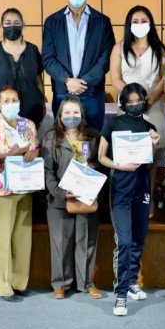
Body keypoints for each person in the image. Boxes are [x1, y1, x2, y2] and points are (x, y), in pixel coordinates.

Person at [98, 83, 161, 316]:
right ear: (123, 103)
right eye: (130, 101)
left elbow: (150, 161)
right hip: (120, 190)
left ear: (144, 100)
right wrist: (119, 165)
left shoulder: (149, 127)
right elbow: (101, 156)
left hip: (141, 188)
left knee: (138, 239)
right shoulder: (113, 124)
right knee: (124, 241)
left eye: (138, 100)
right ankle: (121, 294)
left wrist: (153, 144)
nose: (135, 104)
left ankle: (132, 280)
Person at [0, 85, 40, 302]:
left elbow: (34, 147)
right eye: (6, 101)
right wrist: (6, 155)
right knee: (2, 238)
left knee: (23, 237)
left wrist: (33, 152)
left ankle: (19, 282)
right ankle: (3, 286)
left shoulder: (28, 124)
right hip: (0, 187)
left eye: (14, 100)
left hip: (25, 184)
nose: (11, 104)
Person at [43, 97, 103, 299]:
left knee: (86, 241)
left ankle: (86, 282)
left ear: (82, 115)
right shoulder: (51, 137)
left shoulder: (92, 136)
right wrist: (61, 193)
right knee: (61, 243)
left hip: (86, 197)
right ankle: (61, 283)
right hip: (59, 199)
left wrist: (89, 172)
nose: (71, 116)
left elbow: (100, 163)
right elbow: (47, 171)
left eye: (75, 112)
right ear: (60, 116)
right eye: (67, 113)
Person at [109, 5, 165, 207]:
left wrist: (148, 100)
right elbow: (115, 78)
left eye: (144, 21)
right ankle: (128, 200)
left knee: (150, 158)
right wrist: (132, 101)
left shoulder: (159, 48)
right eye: (135, 21)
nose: (140, 24)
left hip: (153, 107)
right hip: (127, 108)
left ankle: (147, 201)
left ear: (150, 24)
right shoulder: (119, 47)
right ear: (129, 24)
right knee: (129, 156)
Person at [42, 0, 115, 131]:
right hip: (63, 91)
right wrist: (68, 80)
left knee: (92, 138)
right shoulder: (52, 22)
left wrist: (84, 82)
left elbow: (106, 58)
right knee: (63, 139)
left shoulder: (102, 22)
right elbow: (48, 58)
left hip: (92, 93)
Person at [0, 8, 46, 128]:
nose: (12, 26)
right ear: (1, 25)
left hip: (32, 112)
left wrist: (43, 104)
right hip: (3, 115)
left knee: (31, 140)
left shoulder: (33, 50)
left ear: (23, 25)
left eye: (17, 23)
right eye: (8, 23)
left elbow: (39, 82)